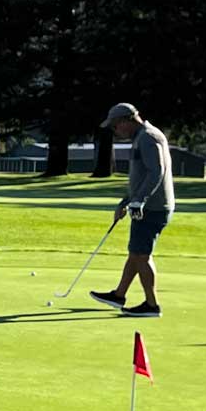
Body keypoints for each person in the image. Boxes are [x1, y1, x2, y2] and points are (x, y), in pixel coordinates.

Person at [90, 102, 174, 317]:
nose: (115, 131)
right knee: (135, 253)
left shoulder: (148, 137)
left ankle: (152, 305)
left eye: (116, 126)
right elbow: (141, 178)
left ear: (127, 121)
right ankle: (119, 295)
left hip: (153, 208)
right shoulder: (142, 137)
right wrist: (126, 202)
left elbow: (157, 171)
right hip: (145, 205)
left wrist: (139, 201)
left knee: (142, 255)